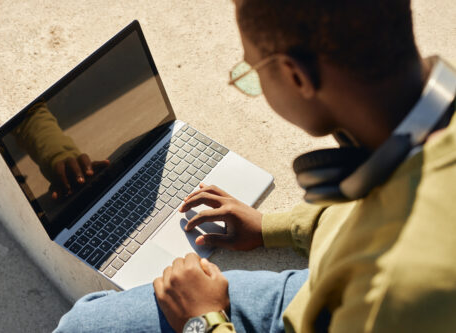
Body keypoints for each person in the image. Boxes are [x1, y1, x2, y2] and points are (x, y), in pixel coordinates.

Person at [54, 0, 456, 332]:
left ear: (296, 77)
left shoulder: (393, 290)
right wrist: (272, 228)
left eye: (252, 70)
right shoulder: (421, 146)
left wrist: (205, 320)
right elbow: (366, 217)